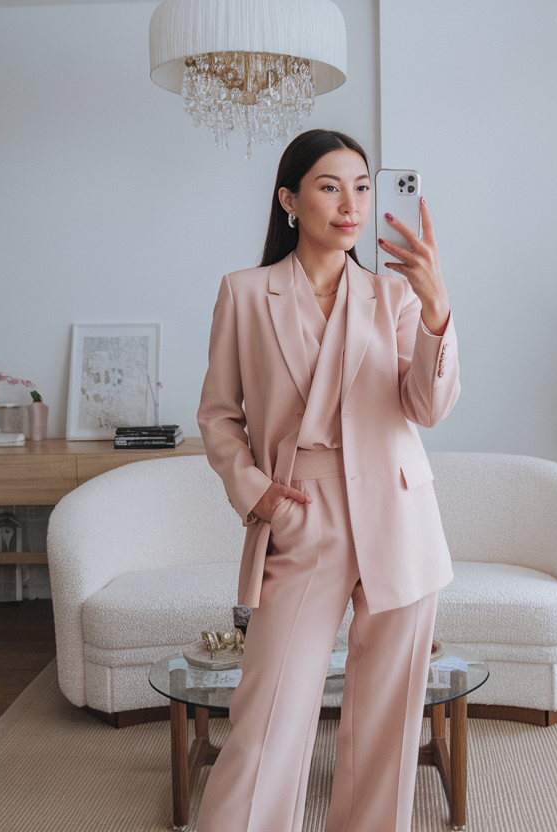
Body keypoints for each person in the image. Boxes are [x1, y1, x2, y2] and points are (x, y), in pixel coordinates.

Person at [196, 129, 461, 832]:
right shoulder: (245, 293)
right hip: (301, 512)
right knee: (268, 719)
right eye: (330, 186)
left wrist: (437, 311)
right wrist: (255, 492)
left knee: (387, 726)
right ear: (289, 199)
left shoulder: (394, 296)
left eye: (362, 188)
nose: (352, 205)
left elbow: (426, 408)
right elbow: (219, 415)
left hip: (399, 514)